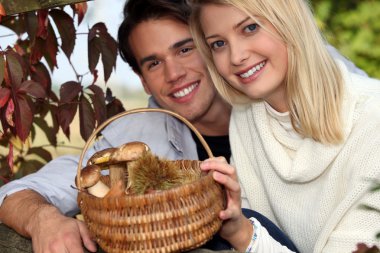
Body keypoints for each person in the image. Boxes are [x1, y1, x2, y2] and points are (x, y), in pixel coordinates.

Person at [0, 0, 301, 252]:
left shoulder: (274, 101)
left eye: (185, 50)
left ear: (212, 46)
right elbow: (18, 193)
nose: (174, 74)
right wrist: (42, 218)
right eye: (154, 63)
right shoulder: (133, 137)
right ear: (142, 79)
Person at [188, 0, 380, 252]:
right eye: (219, 44)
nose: (237, 56)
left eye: (250, 28)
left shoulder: (372, 117)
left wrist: (244, 235)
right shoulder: (245, 116)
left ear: (289, 21)